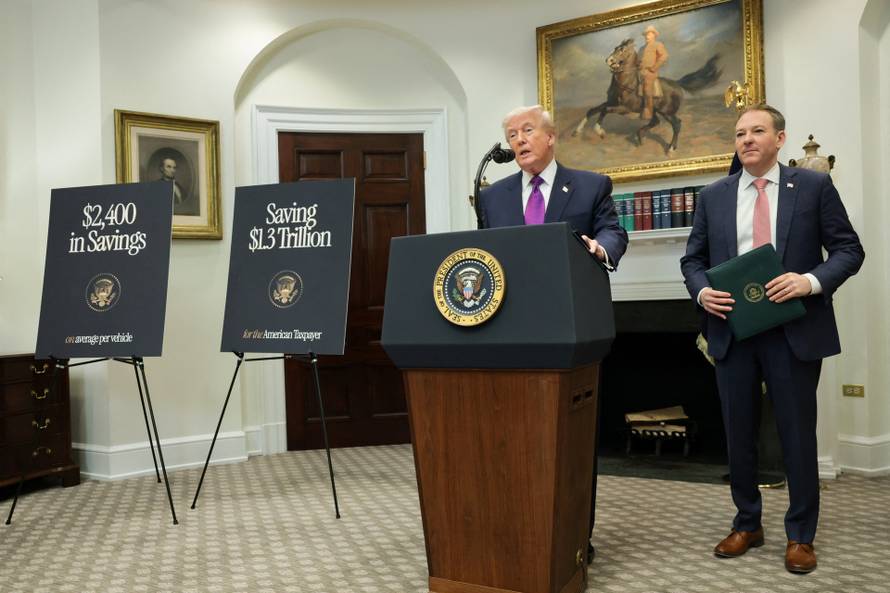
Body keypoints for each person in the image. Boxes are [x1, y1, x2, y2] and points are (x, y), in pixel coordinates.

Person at [680, 104, 864, 574]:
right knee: (738, 431)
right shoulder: (714, 196)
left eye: (757, 131)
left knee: (797, 435)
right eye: (740, 133)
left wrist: (809, 281)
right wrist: (701, 291)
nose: (746, 140)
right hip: (733, 331)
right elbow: (692, 260)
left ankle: (800, 534)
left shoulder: (814, 186)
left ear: (779, 139)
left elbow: (848, 249)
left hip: (794, 331)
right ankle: (748, 523)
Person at [480, 104, 629, 561]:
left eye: (527, 130)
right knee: (512, 435)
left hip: (569, 326)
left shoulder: (589, 185)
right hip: (510, 329)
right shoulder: (493, 195)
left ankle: (574, 535)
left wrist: (599, 248)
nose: (519, 139)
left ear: (551, 137)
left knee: (569, 438)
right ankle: (516, 526)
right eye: (511, 134)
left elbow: (613, 232)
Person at [638, 25, 668, 120]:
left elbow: (664, 56)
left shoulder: (657, 44)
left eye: (649, 34)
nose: (647, 36)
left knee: (647, 89)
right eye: (646, 34)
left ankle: (649, 111)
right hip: (640, 71)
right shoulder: (641, 48)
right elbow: (638, 60)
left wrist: (654, 68)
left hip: (650, 72)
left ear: (654, 35)